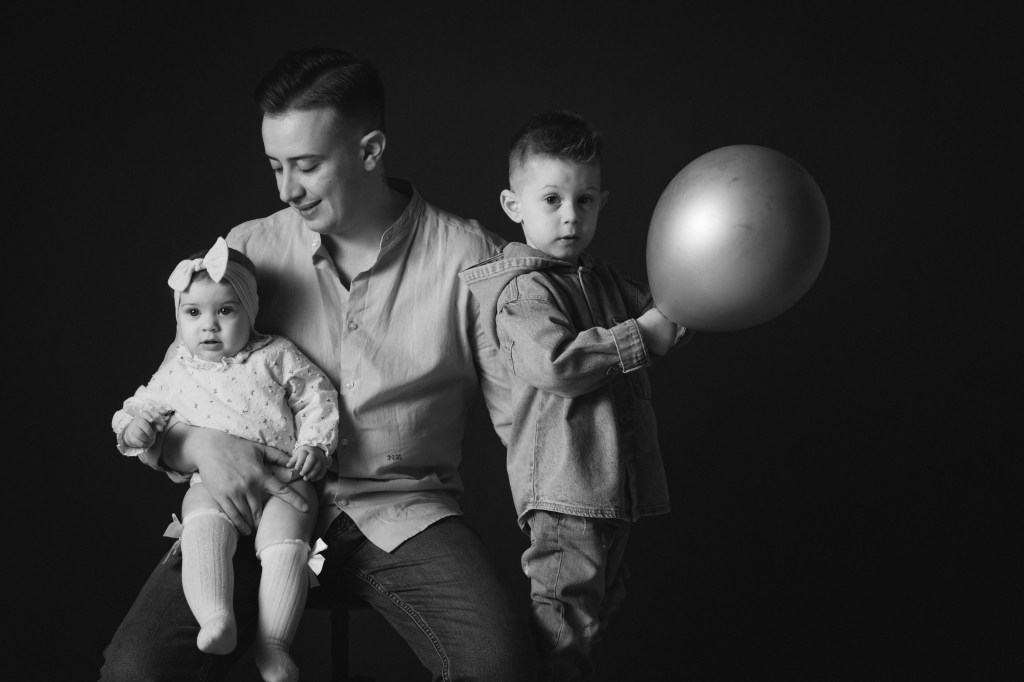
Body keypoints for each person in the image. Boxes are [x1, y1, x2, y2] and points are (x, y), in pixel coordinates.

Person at [99, 47, 535, 682]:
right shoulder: (247, 251)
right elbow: (180, 385)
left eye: (305, 165)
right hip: (254, 509)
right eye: (275, 165)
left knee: (501, 666)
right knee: (133, 671)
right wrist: (197, 446)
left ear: (370, 150)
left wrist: (566, 541)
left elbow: (525, 420)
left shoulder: (471, 259)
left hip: (404, 518)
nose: (286, 189)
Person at [460, 110, 693, 681]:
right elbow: (555, 364)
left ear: (601, 202)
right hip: (566, 490)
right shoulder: (522, 289)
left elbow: (669, 303)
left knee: (596, 612)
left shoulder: (604, 279)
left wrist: (690, 295)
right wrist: (642, 334)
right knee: (564, 617)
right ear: (514, 207)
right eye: (552, 200)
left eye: (584, 200)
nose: (571, 216)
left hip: (614, 485)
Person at [111, 236, 339, 682]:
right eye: (193, 313)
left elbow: (318, 399)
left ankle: (274, 647)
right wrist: (134, 426)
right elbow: (144, 404)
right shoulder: (178, 366)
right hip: (213, 485)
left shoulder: (275, 354)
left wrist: (314, 445)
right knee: (199, 517)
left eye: (226, 311)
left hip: (284, 478)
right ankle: (217, 618)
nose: (208, 326)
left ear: (251, 311)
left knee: (289, 535)